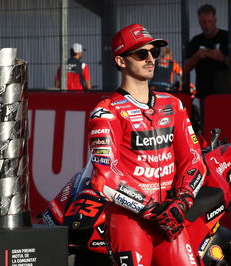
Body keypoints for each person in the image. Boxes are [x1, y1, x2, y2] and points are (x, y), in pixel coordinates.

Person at [88, 23, 206, 265]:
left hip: (171, 219)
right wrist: (151, 210)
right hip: (129, 221)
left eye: (154, 52)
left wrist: (182, 201)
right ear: (121, 61)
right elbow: (104, 176)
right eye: (141, 54)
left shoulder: (173, 104)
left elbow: (193, 160)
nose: (150, 59)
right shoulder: (106, 111)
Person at [184, 4, 230, 100]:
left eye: (210, 21)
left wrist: (222, 58)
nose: (207, 26)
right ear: (199, 22)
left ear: (215, 20)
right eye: (203, 22)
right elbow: (186, 68)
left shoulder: (227, 37)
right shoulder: (196, 41)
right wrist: (197, 56)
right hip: (204, 94)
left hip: (225, 93)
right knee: (206, 115)